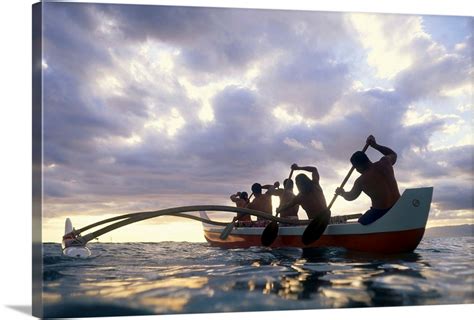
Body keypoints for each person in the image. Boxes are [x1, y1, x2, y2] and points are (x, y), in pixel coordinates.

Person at [335, 135, 401, 225]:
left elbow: (351, 196)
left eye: (355, 168)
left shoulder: (360, 181)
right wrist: (375, 145)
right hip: (399, 206)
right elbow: (393, 154)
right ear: (368, 159)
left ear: (357, 168)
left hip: (380, 213)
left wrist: (342, 193)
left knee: (361, 221)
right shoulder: (385, 162)